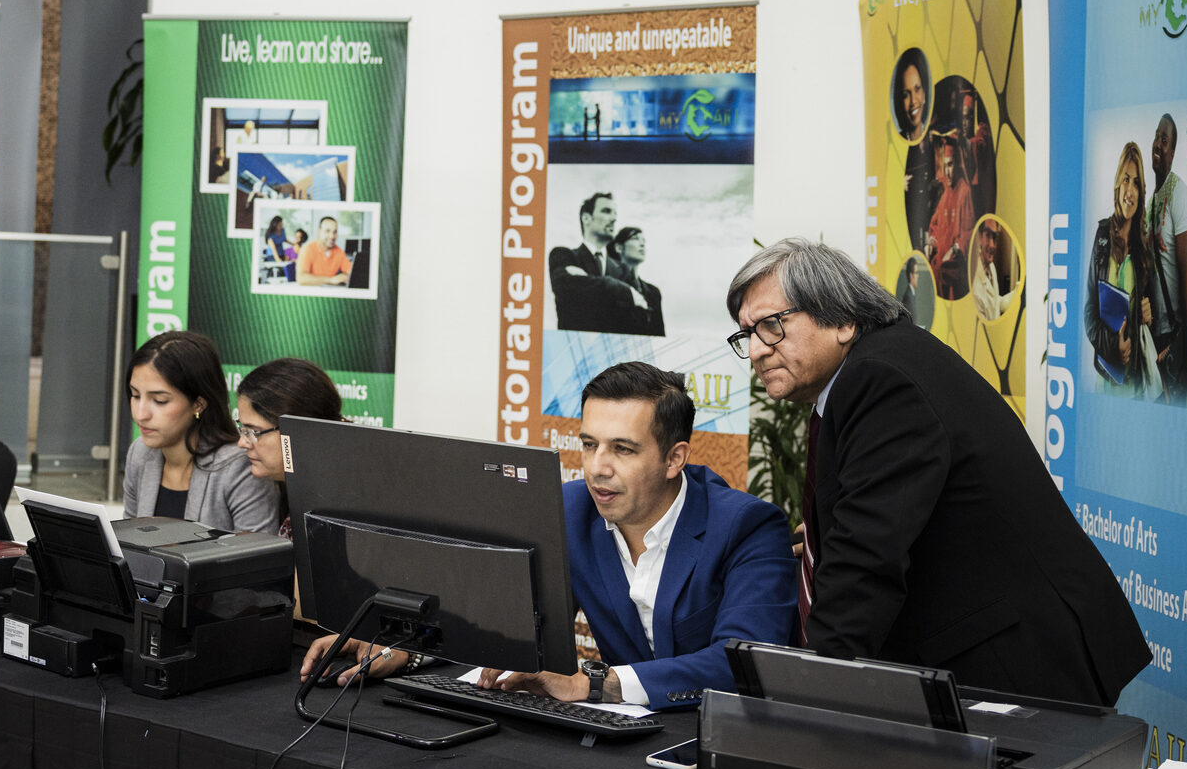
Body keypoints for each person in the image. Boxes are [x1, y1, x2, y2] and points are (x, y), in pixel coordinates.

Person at [727, 238, 1149, 706]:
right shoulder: (876, 365)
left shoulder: (878, 380)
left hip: (1022, 662)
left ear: (842, 320)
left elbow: (864, 566)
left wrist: (807, 697)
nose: (756, 351)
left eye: (771, 326)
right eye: (746, 335)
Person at [301, 362, 799, 705]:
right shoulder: (572, 508)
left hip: (712, 738)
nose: (597, 467)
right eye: (589, 444)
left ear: (675, 459)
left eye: (623, 449)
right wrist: (399, 648)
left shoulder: (748, 527)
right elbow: (497, 616)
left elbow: (744, 664)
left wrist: (595, 684)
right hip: (621, 741)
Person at [121, 330, 277, 531]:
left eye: (160, 400)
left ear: (198, 404)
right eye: (135, 396)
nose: (141, 414)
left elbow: (258, 550)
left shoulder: (240, 468)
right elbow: (127, 541)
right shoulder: (140, 453)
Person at [234, 357, 345, 536]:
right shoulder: (294, 492)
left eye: (254, 431)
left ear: (297, 431)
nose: (242, 443)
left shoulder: (338, 510)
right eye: (243, 429)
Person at [1086, 143, 1158, 396]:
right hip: (1105, 379)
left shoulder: (1143, 249)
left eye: (1136, 183)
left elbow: (1152, 316)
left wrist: (1149, 315)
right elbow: (1089, 311)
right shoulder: (1102, 236)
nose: (1130, 190)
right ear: (1117, 184)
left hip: (1135, 385)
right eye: (1126, 179)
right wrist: (1113, 346)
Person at [1146, 114, 1187, 400]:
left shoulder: (1180, 195)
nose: (1157, 143)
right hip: (1154, 335)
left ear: (1173, 152)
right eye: (1156, 136)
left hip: (1175, 336)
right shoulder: (1151, 202)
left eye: (1164, 140)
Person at [548, 192, 649, 332]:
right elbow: (566, 288)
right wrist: (622, 290)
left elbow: (641, 317)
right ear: (586, 218)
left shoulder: (625, 270)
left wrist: (587, 285)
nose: (614, 218)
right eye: (606, 211)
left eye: (615, 213)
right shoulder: (564, 255)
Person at [921, 138, 974, 298]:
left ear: (957, 165)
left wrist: (953, 250)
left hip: (954, 268)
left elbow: (968, 235)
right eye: (945, 166)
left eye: (950, 165)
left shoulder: (964, 192)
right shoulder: (945, 195)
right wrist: (931, 242)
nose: (948, 172)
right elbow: (935, 227)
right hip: (939, 264)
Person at [608, 225, 665, 335]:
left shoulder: (653, 292)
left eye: (643, 241)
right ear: (618, 248)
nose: (642, 244)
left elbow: (659, 335)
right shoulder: (610, 287)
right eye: (635, 239)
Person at [970, 219, 1012, 322]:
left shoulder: (991, 267)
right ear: (979, 238)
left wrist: (1015, 294)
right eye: (988, 236)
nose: (992, 245)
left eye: (994, 237)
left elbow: (994, 302)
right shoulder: (974, 283)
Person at [295, 215, 354, 287]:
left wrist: (345, 276)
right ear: (319, 231)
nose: (332, 236)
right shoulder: (307, 249)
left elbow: (351, 272)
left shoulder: (339, 252)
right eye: (327, 231)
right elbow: (301, 278)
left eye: (335, 232)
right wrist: (331, 280)